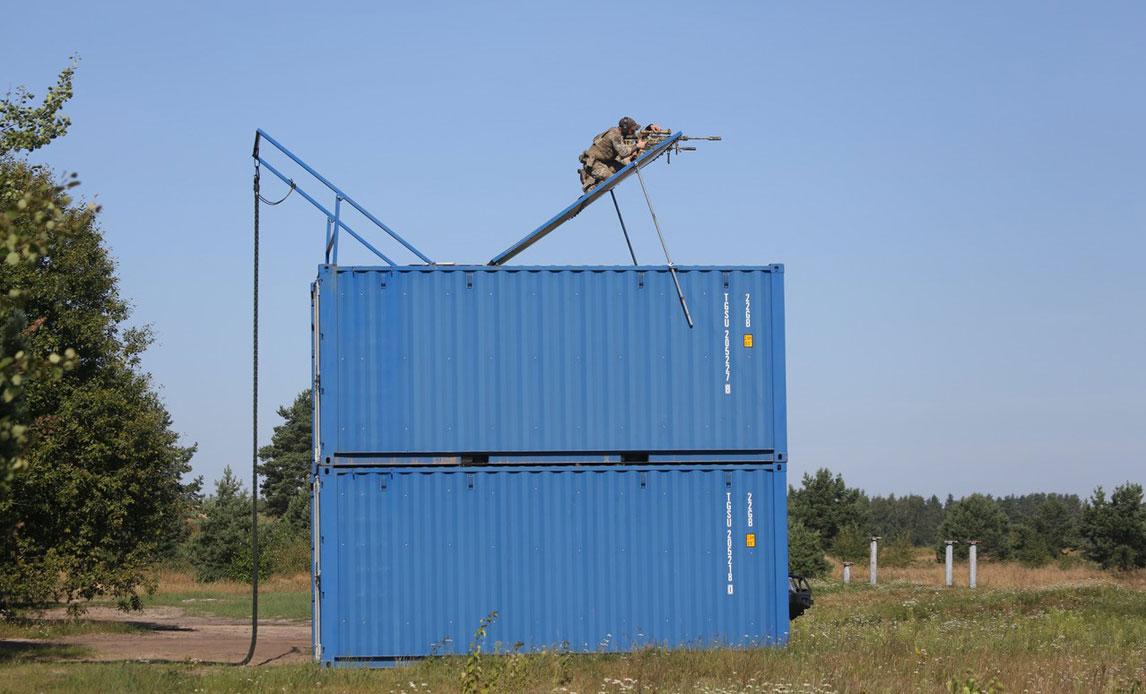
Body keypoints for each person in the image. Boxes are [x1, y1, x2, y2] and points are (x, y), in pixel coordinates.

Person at [578, 117, 649, 193]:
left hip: (602, 162)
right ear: (626, 129)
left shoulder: (619, 133)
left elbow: (636, 136)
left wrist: (649, 129)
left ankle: (594, 180)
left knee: (624, 168)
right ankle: (590, 188)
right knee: (611, 179)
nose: (633, 131)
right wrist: (638, 146)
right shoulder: (615, 135)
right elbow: (623, 153)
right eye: (632, 130)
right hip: (593, 165)